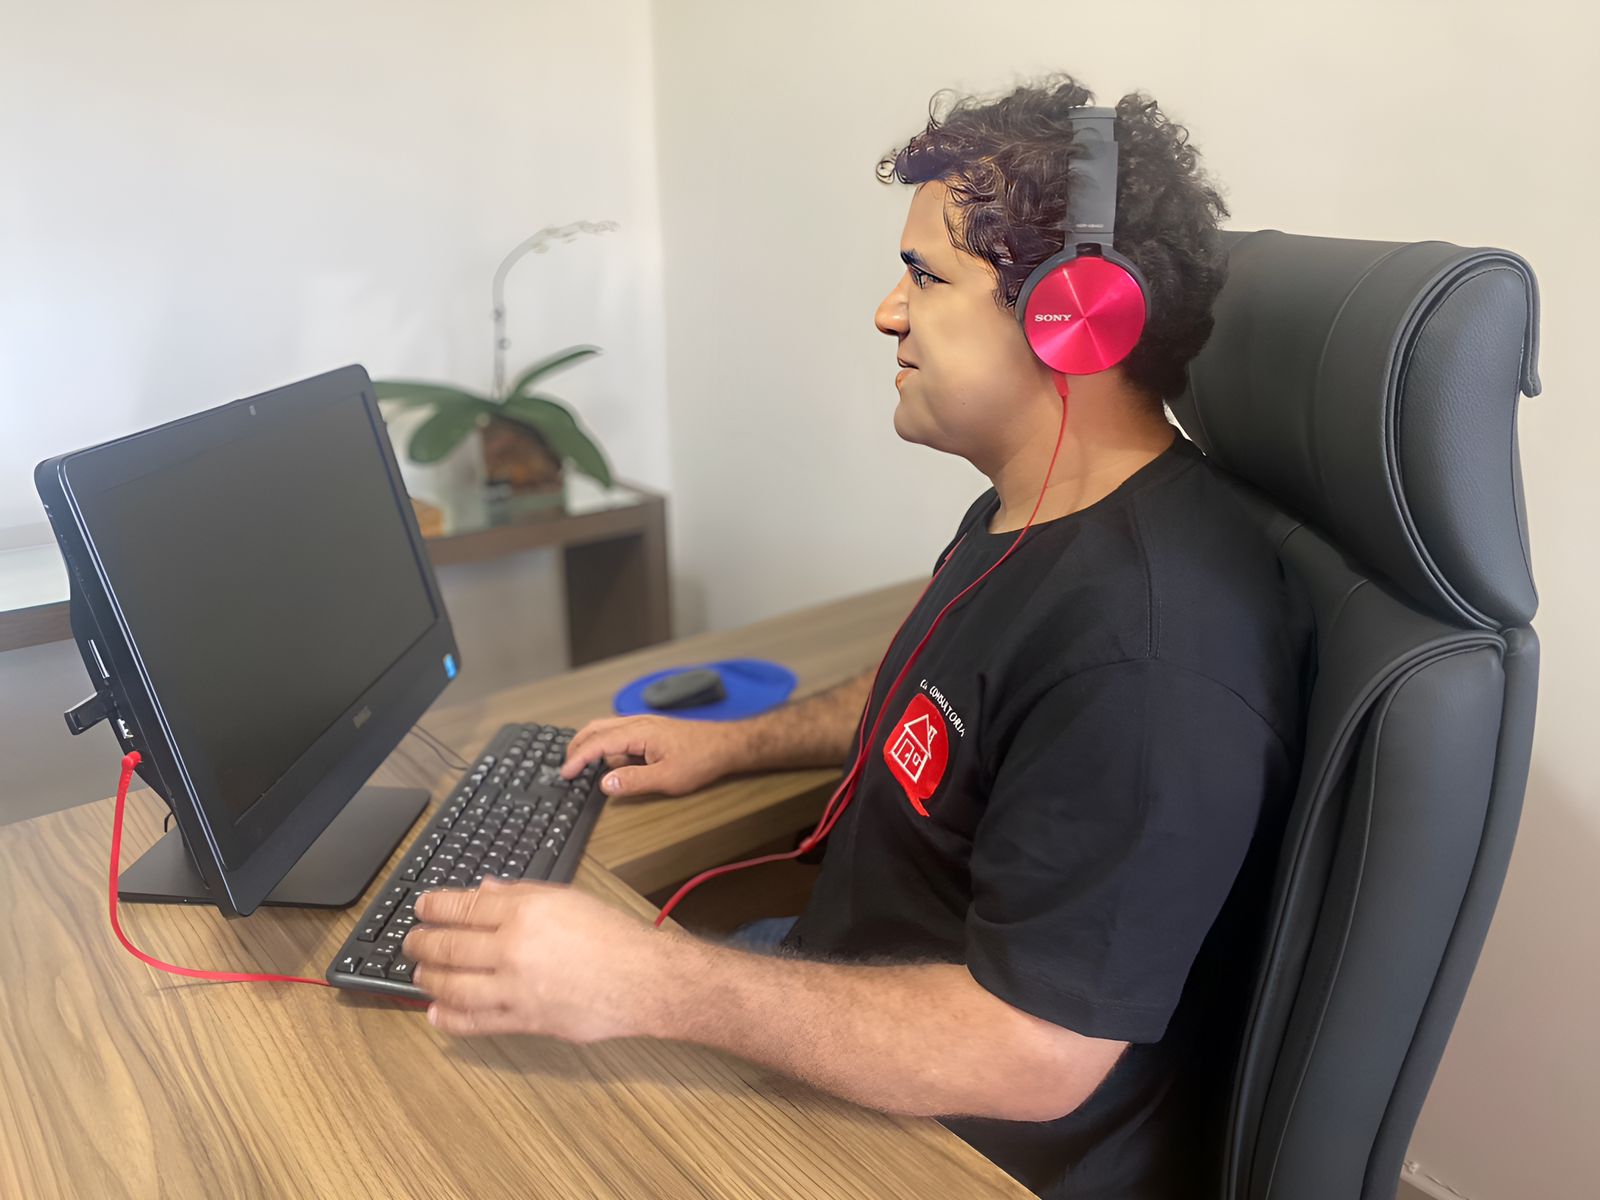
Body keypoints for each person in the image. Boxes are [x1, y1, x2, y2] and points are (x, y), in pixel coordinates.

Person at [404, 73, 1316, 1199]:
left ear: (1074, 314)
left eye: (926, 276)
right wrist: (736, 745)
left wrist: (653, 982)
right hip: (847, 1004)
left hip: (949, 1141)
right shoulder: (1039, 508)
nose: (888, 311)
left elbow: (1031, 1055)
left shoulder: (1151, 656)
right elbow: (949, 702)